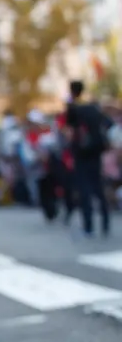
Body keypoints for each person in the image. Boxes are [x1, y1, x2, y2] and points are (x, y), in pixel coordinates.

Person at [64, 80, 113, 237]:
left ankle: (88, 226)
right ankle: (105, 222)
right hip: (96, 151)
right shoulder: (93, 106)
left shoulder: (73, 107)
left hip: (81, 152)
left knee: (84, 189)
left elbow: (69, 129)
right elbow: (108, 123)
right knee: (98, 186)